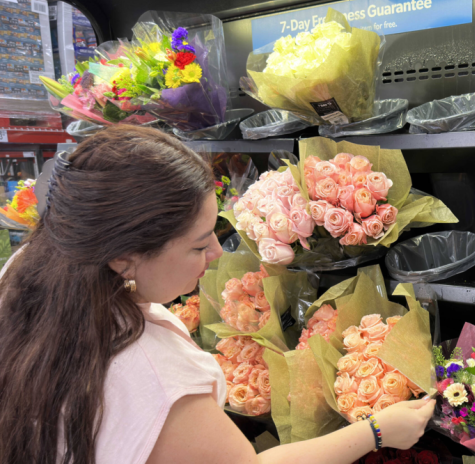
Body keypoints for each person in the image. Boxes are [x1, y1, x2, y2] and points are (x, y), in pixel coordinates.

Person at [0, 126, 435, 464]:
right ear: (123, 258)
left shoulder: (28, 274)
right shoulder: (151, 371)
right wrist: (376, 431)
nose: (215, 253)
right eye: (197, 244)